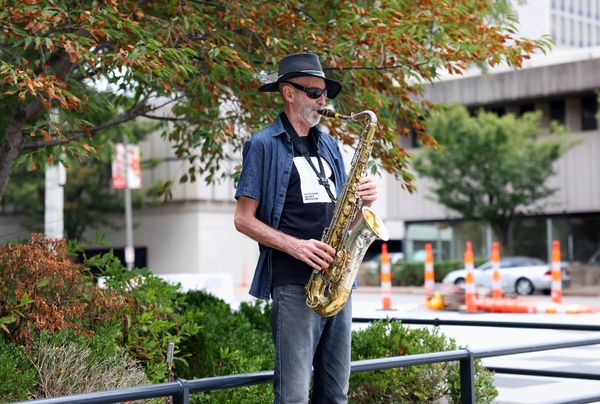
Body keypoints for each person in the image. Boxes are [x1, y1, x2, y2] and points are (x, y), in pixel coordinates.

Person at [233, 52, 378, 404]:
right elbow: (243, 219)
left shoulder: (329, 144)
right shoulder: (263, 144)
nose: (322, 100)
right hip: (294, 283)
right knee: (294, 397)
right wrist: (296, 246)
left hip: (337, 282)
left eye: (324, 93)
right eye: (314, 92)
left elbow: (345, 212)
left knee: (336, 395)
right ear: (288, 93)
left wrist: (365, 202)